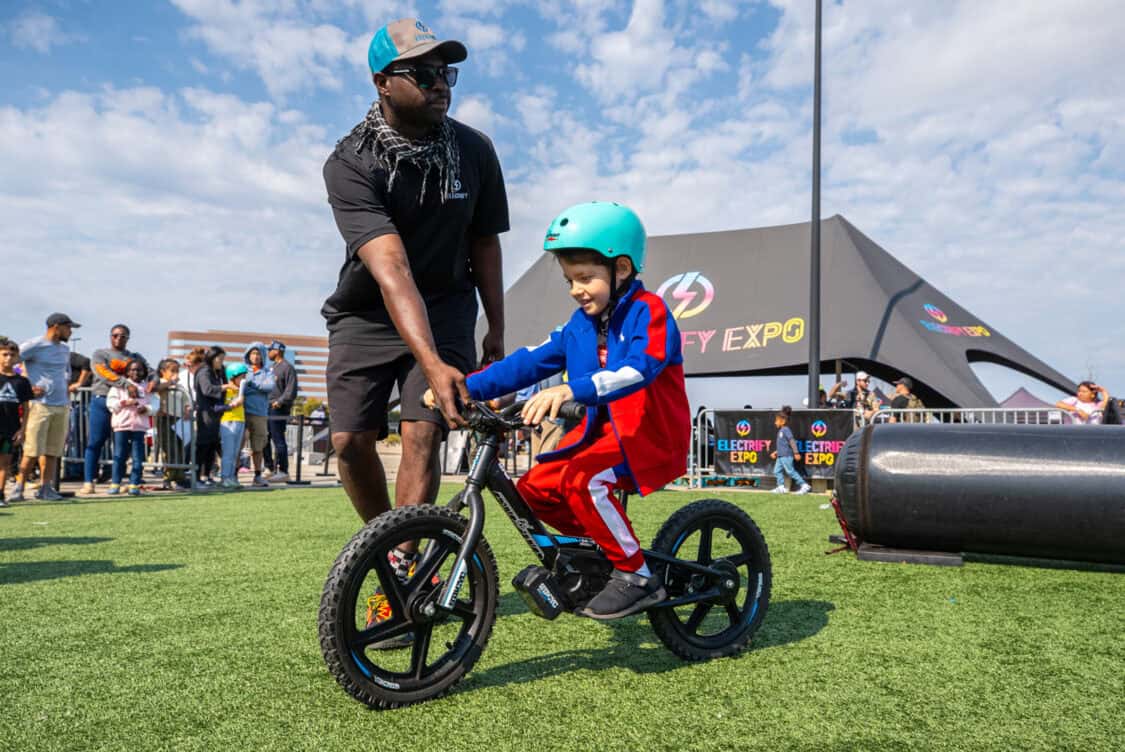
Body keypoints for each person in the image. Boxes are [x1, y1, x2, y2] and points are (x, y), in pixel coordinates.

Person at [454, 201, 690, 619]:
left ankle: (637, 575)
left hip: (645, 436)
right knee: (534, 490)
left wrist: (570, 390)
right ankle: (604, 554)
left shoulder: (649, 312)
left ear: (620, 269)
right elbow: (527, 362)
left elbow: (639, 368)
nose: (576, 289)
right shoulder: (579, 325)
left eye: (585, 278)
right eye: (569, 280)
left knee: (583, 480)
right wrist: (463, 388)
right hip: (600, 437)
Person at [322, 18, 508, 524]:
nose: (441, 84)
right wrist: (430, 362)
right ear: (382, 81)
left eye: (445, 72)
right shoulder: (351, 163)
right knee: (348, 442)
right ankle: (381, 546)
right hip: (368, 312)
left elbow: (484, 240)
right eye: (424, 75)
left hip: (447, 307)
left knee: (422, 433)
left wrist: (495, 326)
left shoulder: (474, 150)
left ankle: (405, 566)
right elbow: (393, 270)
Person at [15, 313, 77, 501]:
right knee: (32, 450)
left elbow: (65, 374)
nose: (71, 331)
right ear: (56, 326)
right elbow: (8, 362)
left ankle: (46, 487)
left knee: (53, 451)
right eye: (68, 327)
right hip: (40, 406)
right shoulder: (33, 345)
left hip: (61, 405)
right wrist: (25, 385)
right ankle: (18, 488)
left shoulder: (65, 350)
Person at [81, 324, 147, 495]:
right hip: (103, 400)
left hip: (129, 407)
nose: (119, 338)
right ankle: (89, 481)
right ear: (110, 336)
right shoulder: (100, 354)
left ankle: (123, 481)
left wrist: (153, 383)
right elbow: (102, 373)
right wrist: (125, 383)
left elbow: (150, 371)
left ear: (128, 338)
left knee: (125, 447)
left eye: (123, 336)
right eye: (115, 335)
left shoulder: (134, 356)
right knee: (96, 441)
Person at [106, 359, 156, 496]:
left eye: (139, 370)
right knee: (119, 455)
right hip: (121, 425)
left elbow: (155, 405)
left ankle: (134, 484)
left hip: (139, 427)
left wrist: (146, 409)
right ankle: (115, 483)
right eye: (132, 370)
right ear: (127, 372)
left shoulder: (147, 388)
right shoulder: (118, 386)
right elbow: (111, 403)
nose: (136, 372)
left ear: (144, 372)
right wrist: (124, 402)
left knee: (138, 457)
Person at [0, 338, 35, 507]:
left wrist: (22, 429)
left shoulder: (22, 382)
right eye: (4, 354)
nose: (8, 358)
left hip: (10, 429)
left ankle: (0, 495)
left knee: (5, 463)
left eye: (12, 355)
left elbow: (27, 408)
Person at [240, 343, 276, 487]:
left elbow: (269, 386)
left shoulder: (268, 372)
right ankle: (232, 475)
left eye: (258, 353)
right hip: (241, 413)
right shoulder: (243, 370)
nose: (255, 356)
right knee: (238, 445)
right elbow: (238, 387)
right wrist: (257, 386)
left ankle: (257, 476)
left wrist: (250, 384)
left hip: (260, 414)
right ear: (248, 355)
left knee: (258, 447)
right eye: (252, 353)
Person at [155, 358, 191, 489]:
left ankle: (179, 476)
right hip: (165, 419)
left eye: (177, 370)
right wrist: (170, 382)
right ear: (163, 371)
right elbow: (155, 390)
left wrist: (188, 409)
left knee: (180, 448)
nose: (175, 373)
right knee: (169, 449)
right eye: (172, 370)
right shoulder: (161, 382)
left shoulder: (180, 386)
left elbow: (187, 400)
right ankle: (168, 477)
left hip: (179, 421)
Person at [193, 347, 227, 487]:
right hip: (205, 413)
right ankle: (196, 478)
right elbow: (207, 389)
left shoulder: (219, 371)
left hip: (216, 413)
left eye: (223, 358)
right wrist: (224, 387)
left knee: (212, 445)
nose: (221, 361)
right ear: (212, 357)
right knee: (203, 445)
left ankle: (207, 475)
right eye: (219, 358)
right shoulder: (204, 371)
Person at [219, 363, 248, 489]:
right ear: (232, 377)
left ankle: (231, 477)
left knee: (235, 453)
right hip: (228, 421)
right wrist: (233, 403)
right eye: (241, 376)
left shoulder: (242, 389)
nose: (243, 379)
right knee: (228, 452)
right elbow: (220, 406)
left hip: (240, 420)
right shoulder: (226, 389)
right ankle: (225, 477)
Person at [770, 408, 811, 495]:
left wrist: (796, 453)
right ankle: (781, 487)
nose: (775, 422)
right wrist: (776, 452)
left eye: (777, 421)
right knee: (776, 471)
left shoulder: (786, 430)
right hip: (780, 456)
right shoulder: (781, 431)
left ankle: (804, 485)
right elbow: (783, 445)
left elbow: (792, 441)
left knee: (790, 471)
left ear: (783, 421)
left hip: (786, 456)